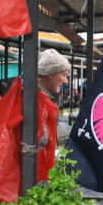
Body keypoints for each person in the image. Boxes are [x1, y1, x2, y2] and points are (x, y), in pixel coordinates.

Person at [37, 48, 71, 181]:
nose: (66, 80)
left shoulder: (44, 98)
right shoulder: (35, 100)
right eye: (63, 75)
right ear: (51, 74)